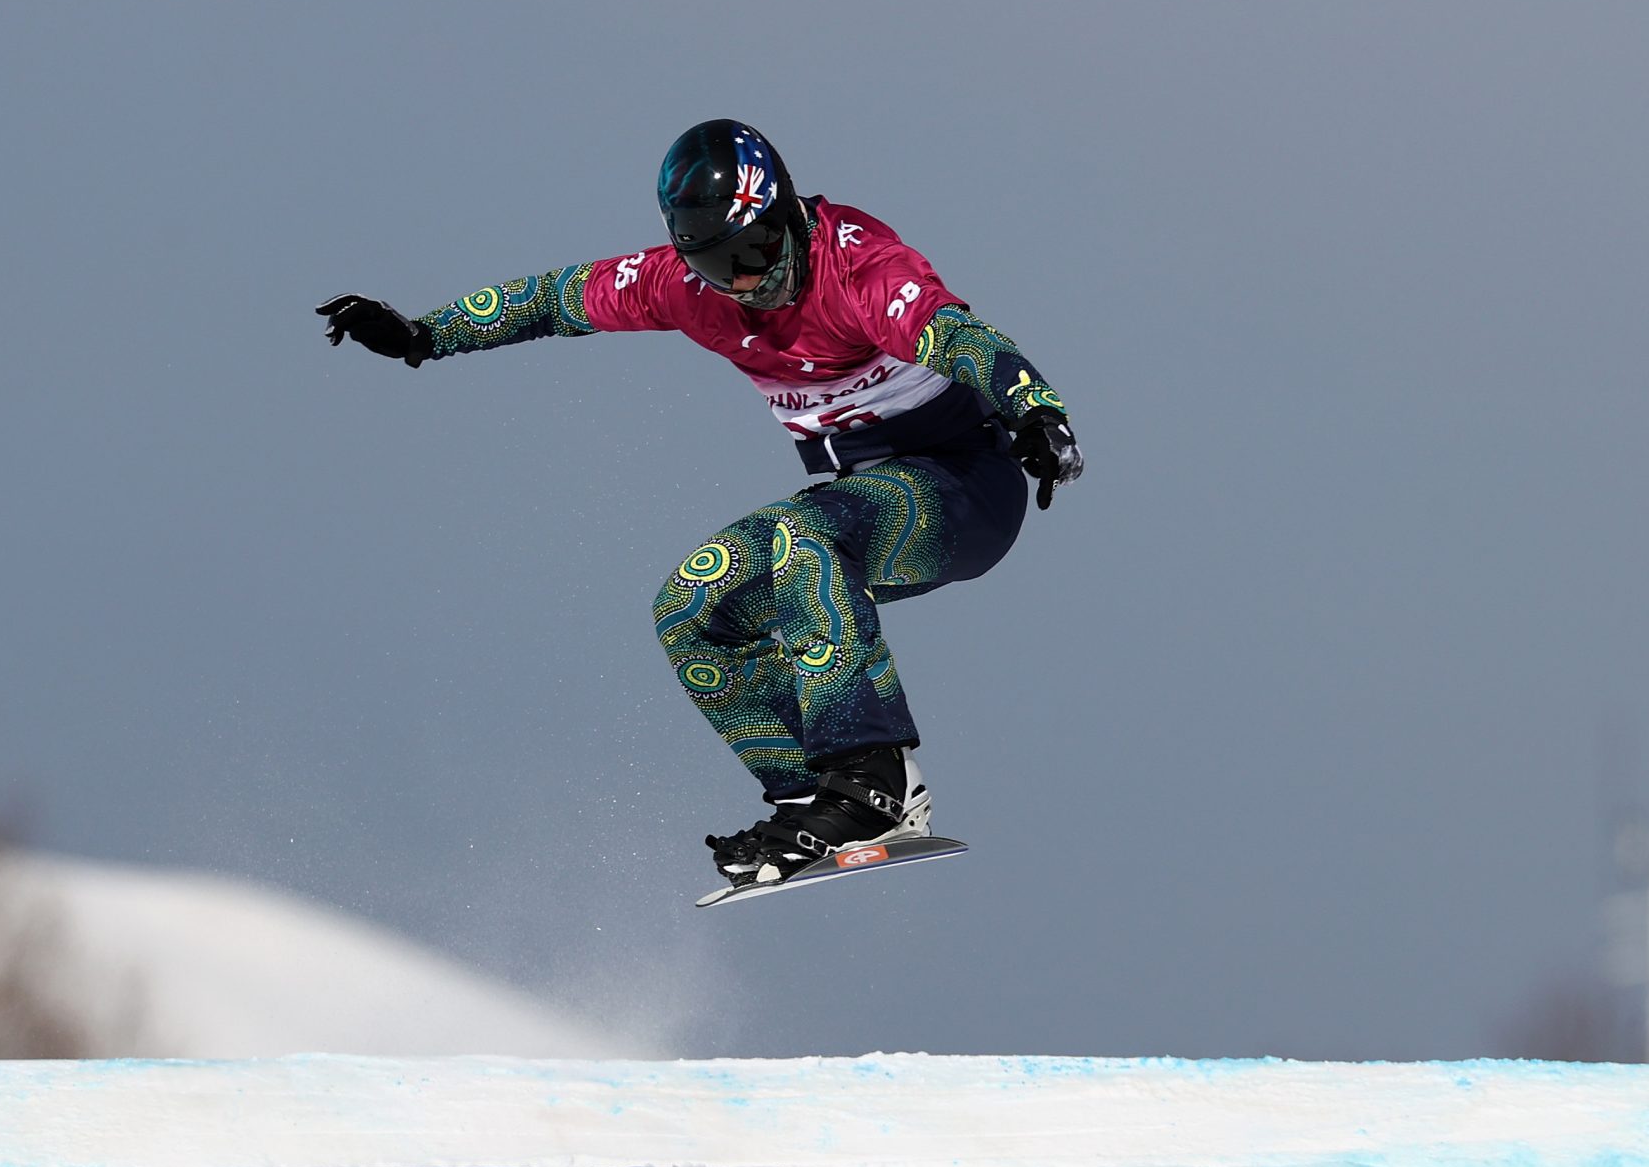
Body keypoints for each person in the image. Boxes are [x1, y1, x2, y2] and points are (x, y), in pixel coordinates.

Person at [317, 120, 1082, 889]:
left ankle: (869, 781)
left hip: (965, 486)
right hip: (857, 500)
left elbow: (957, 335)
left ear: (788, 216)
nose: (747, 281)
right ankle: (813, 797)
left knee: (803, 535)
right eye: (719, 264)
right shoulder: (684, 291)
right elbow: (553, 300)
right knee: (692, 606)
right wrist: (423, 334)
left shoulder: (855, 267)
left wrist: (1034, 410)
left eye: (754, 251)